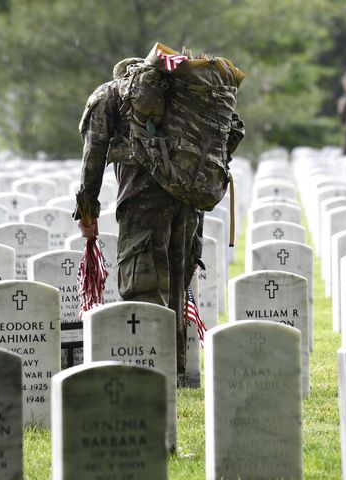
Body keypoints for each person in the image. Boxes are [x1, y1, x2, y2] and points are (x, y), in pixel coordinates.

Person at [75, 56, 242, 386]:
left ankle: (149, 372)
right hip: (187, 197)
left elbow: (92, 158)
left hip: (142, 203)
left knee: (144, 284)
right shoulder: (187, 100)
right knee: (179, 283)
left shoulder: (109, 95)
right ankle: (176, 372)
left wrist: (87, 212)